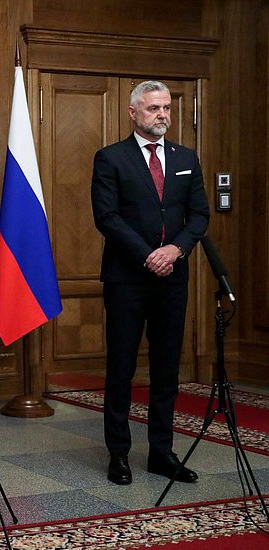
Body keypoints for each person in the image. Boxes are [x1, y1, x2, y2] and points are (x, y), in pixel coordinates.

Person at [91, 80, 210, 486]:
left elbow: (199, 216)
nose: (162, 115)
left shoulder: (186, 158)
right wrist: (148, 255)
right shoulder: (110, 158)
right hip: (127, 279)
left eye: (167, 108)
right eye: (153, 108)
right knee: (121, 367)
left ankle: (162, 452)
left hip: (173, 278)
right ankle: (119, 454)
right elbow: (107, 218)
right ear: (132, 112)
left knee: (166, 369)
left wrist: (174, 250)